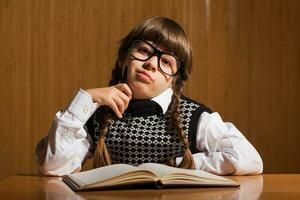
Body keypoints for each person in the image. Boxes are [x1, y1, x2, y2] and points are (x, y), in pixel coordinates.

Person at [35, 16, 263, 176]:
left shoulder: (196, 118)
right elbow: (53, 166)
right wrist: (86, 100)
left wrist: (179, 165)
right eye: (143, 51)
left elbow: (249, 158)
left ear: (174, 79)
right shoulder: (98, 115)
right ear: (124, 58)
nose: (151, 64)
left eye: (166, 62)